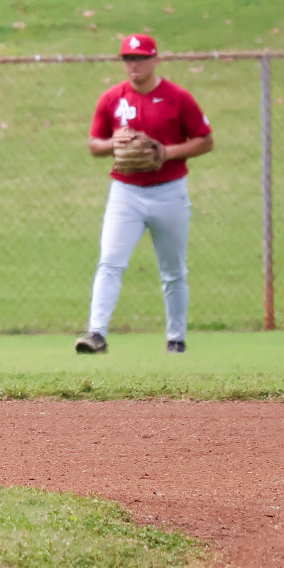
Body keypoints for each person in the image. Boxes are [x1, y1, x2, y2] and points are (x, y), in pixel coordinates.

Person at [74, 34, 213, 357]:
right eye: (128, 58)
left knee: (173, 270)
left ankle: (176, 339)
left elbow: (205, 140)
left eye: (140, 58)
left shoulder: (178, 98)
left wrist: (167, 152)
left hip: (169, 191)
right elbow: (94, 144)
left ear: (155, 60)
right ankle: (96, 334)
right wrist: (113, 144)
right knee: (110, 262)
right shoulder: (112, 99)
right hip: (125, 192)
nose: (133, 64)